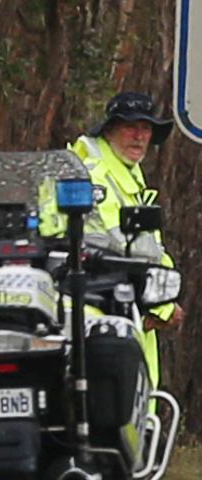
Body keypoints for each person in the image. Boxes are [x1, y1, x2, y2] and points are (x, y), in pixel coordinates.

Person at [40, 91, 182, 389]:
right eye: (130, 127)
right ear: (108, 130)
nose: (139, 136)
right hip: (101, 309)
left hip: (109, 304)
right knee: (113, 408)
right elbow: (124, 250)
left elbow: (144, 245)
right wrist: (163, 307)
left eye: (145, 128)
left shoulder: (122, 171)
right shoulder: (98, 176)